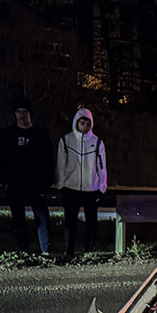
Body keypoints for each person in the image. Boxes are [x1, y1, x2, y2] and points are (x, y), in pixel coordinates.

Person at [0, 96, 53, 256]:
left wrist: (46, 183)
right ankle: (24, 252)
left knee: (42, 219)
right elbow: (0, 159)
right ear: (15, 114)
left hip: (36, 184)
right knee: (18, 220)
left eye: (25, 111)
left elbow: (49, 160)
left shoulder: (40, 135)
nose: (22, 115)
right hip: (15, 184)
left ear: (30, 113)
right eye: (19, 111)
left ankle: (45, 251)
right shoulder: (7, 134)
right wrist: (5, 182)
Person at [56, 108, 107, 260]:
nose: (84, 126)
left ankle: (88, 251)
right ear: (76, 122)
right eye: (81, 122)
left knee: (91, 221)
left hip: (91, 188)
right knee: (70, 221)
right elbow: (60, 163)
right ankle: (69, 251)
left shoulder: (97, 142)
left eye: (87, 123)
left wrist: (102, 186)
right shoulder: (66, 140)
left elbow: (102, 165)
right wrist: (61, 184)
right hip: (71, 187)